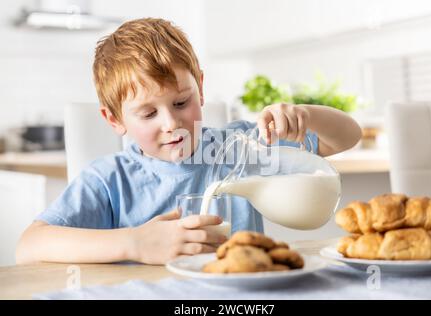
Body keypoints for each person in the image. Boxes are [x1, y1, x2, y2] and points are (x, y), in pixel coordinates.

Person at [16, 18, 361, 265]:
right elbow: (30, 246)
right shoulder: (111, 179)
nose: (172, 123)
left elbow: (347, 137)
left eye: (181, 103)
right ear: (115, 120)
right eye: (148, 114)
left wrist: (304, 114)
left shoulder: (242, 147)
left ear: (201, 88)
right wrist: (134, 243)